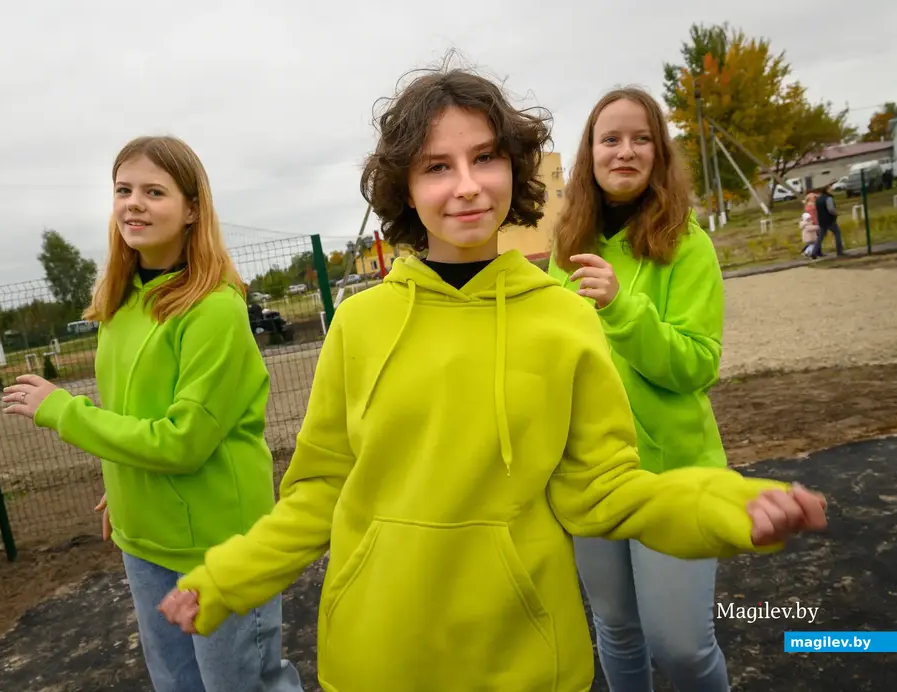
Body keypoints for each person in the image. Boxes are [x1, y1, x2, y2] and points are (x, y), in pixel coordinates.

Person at [158, 68, 828, 692]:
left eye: (485, 157)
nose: (467, 185)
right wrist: (226, 578)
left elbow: (607, 492)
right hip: (376, 654)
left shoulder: (566, 319)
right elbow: (317, 493)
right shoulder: (359, 325)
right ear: (406, 188)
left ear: (514, 166)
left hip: (528, 657)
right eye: (436, 167)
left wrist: (724, 508)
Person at [1, 136, 302, 692]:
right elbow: (131, 415)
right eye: (123, 189)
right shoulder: (119, 304)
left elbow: (183, 441)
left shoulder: (215, 309)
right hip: (143, 540)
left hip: (218, 544)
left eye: (154, 191)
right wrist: (122, 488)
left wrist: (63, 410)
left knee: (243, 686)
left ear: (192, 210)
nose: (133, 203)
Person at [548, 85, 768, 691]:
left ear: (660, 153)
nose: (625, 151)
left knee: (681, 648)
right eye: (610, 139)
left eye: (641, 138)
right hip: (589, 475)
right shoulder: (567, 250)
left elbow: (697, 364)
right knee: (616, 630)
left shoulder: (688, 244)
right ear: (589, 154)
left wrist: (623, 307)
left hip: (672, 475)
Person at [813, 183, 845, 258]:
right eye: (830, 189)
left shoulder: (818, 199)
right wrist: (836, 213)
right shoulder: (828, 198)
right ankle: (839, 251)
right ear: (827, 190)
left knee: (820, 237)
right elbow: (830, 209)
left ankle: (814, 252)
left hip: (821, 220)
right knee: (837, 233)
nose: (832, 190)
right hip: (830, 220)